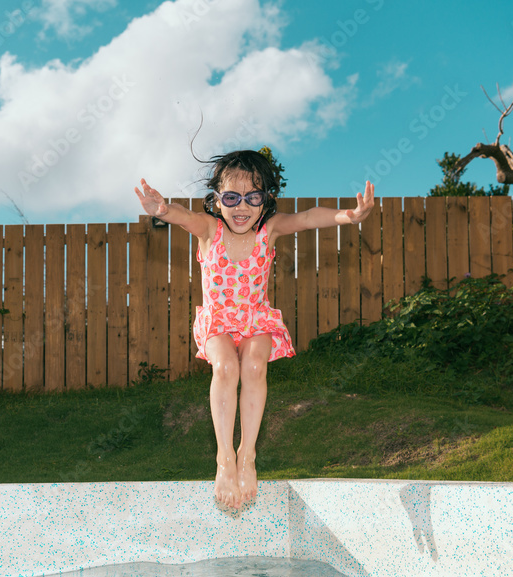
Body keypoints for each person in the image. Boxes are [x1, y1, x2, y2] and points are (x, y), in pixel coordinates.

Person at [135, 150, 375, 510]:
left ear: (266, 200)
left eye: (253, 197)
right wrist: (162, 210)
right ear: (217, 200)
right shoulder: (209, 229)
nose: (241, 207)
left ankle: (247, 455)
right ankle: (224, 458)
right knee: (227, 367)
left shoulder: (270, 230)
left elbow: (309, 218)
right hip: (218, 320)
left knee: (254, 367)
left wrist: (349, 216)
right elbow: (182, 216)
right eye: (231, 197)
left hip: (256, 319)